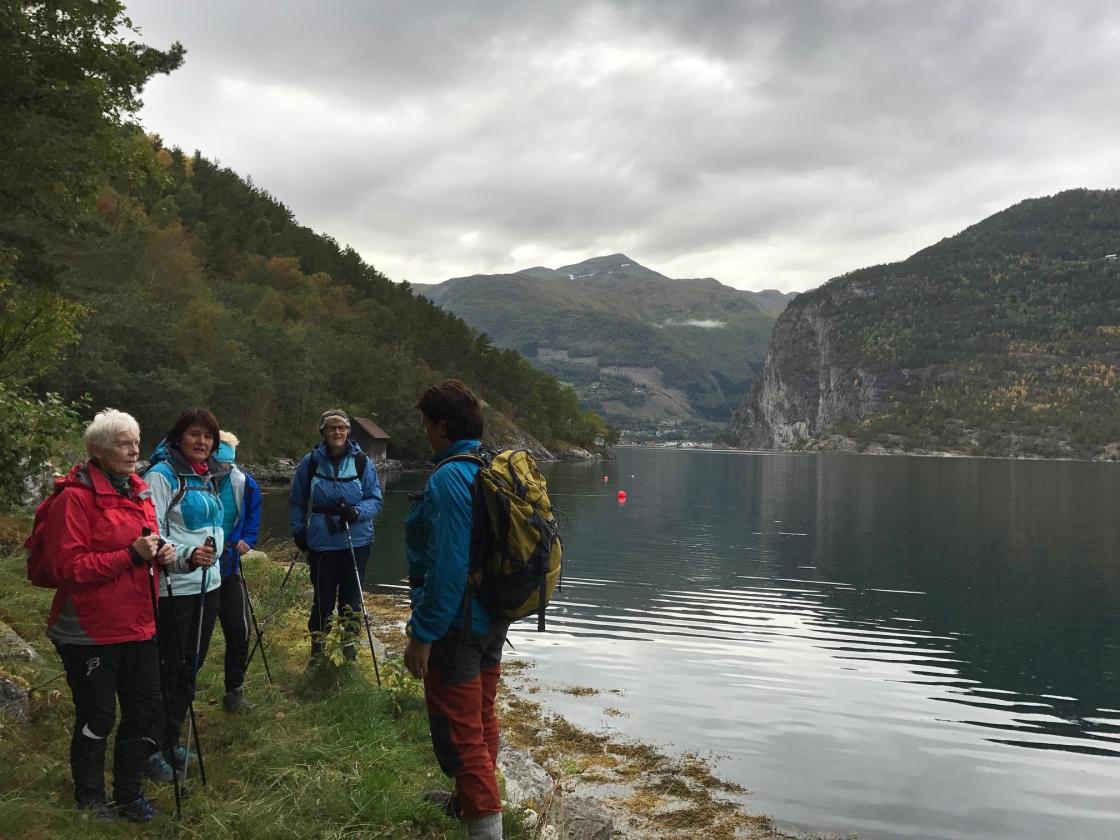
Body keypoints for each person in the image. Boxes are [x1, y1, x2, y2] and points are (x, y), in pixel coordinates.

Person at [39, 408, 174, 821]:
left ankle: (129, 793)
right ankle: (90, 797)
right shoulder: (74, 499)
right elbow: (67, 568)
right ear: (97, 450)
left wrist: (162, 554)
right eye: (123, 443)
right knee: (98, 713)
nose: (134, 450)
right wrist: (130, 556)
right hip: (88, 628)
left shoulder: (137, 491)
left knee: (144, 708)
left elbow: (144, 544)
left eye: (136, 441)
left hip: (139, 621)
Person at [405, 380, 508, 840]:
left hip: (459, 625)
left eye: (427, 424)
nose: (425, 433)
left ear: (442, 426)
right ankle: (468, 804)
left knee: (463, 736)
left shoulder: (449, 477)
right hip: (493, 616)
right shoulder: (489, 466)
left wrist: (422, 634)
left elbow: (447, 567)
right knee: (483, 717)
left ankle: (486, 829)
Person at [142, 408, 226, 780]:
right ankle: (150, 749)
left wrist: (212, 554)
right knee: (168, 668)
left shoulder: (206, 477)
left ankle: (171, 738)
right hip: (175, 590)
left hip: (210, 585)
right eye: (195, 434)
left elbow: (216, 527)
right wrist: (188, 557)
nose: (202, 442)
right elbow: (152, 533)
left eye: (208, 437)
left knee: (190, 667)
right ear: (178, 438)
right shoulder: (161, 477)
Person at [289, 409, 384, 666]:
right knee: (322, 598)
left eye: (342, 428)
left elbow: (375, 500)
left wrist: (356, 511)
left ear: (348, 431)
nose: (337, 432)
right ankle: (317, 654)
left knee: (351, 599)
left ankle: (348, 654)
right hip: (321, 541)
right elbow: (297, 501)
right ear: (323, 431)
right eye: (332, 428)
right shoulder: (310, 463)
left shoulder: (362, 462)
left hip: (357, 539)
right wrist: (298, 530)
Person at [213, 430, 261, 712]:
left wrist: (249, 540)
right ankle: (180, 700)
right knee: (195, 639)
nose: (225, 469)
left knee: (240, 629)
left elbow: (253, 514)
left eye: (229, 464)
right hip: (196, 573)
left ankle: (234, 692)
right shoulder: (192, 482)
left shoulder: (244, 482)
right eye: (220, 464)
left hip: (229, 568)